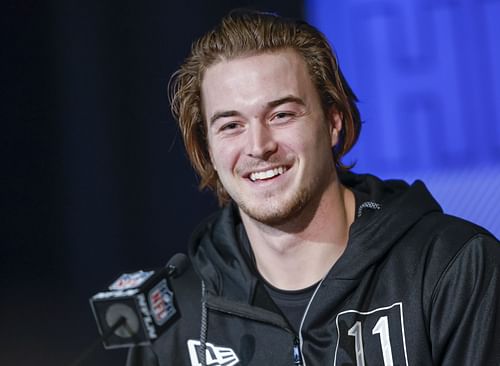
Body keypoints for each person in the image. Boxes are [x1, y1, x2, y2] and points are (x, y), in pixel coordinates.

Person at [127, 10, 500, 366]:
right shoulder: (177, 312)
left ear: (333, 121)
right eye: (231, 125)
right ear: (208, 147)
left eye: (282, 115)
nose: (259, 146)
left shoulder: (452, 267)